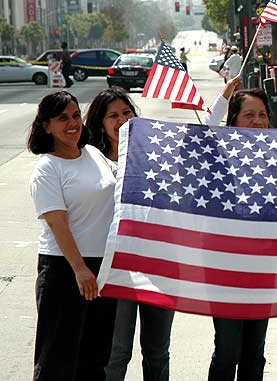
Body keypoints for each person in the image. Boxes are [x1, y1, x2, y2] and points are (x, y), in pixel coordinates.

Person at [85, 87, 176, 381]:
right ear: (100, 124)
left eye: (127, 112)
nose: (122, 119)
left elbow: (194, 147)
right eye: (113, 115)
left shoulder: (156, 155)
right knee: (117, 351)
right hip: (116, 269)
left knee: (157, 351)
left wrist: (223, 100)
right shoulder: (91, 161)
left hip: (158, 266)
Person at [28, 91, 117, 380]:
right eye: (62, 118)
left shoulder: (92, 153)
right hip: (65, 271)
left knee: (95, 359)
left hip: (102, 270)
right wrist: (80, 270)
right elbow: (58, 224)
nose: (72, 123)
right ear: (46, 126)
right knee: (57, 360)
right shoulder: (47, 168)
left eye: (76, 115)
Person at [204, 85, 271, 381]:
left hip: (263, 270)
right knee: (228, 349)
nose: (257, 121)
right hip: (224, 271)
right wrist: (223, 98)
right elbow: (199, 138)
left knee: (254, 351)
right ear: (232, 122)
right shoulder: (218, 156)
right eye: (248, 115)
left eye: (262, 115)